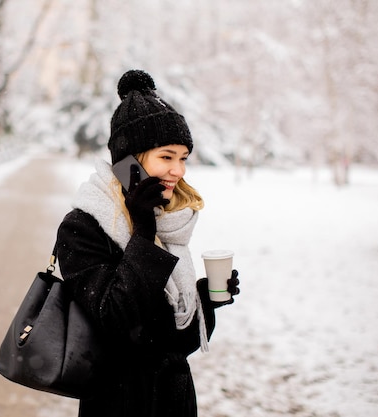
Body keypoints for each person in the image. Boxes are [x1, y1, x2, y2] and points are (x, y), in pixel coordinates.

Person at [55, 69, 240, 417]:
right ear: (130, 162)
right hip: (118, 404)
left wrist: (206, 300)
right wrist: (142, 232)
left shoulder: (169, 223)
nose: (179, 170)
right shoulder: (82, 227)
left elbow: (177, 345)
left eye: (183, 158)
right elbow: (115, 322)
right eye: (166, 157)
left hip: (174, 402)